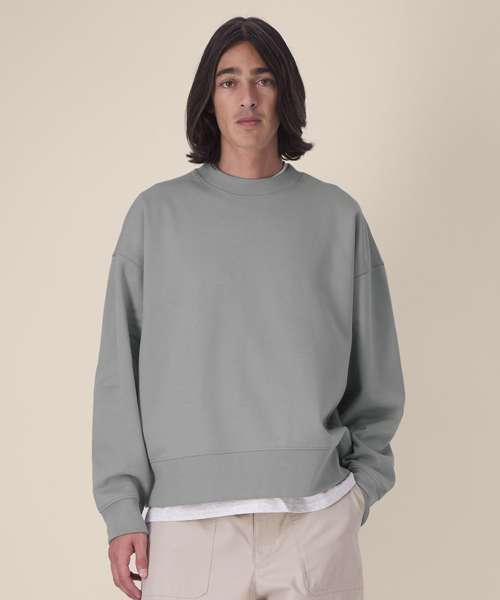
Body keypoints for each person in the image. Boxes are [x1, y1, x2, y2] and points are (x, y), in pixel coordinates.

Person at [91, 15, 405, 600]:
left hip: (315, 516)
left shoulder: (336, 217)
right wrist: (121, 506)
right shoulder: (156, 217)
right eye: (229, 81)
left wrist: (358, 490)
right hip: (186, 526)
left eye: (264, 79)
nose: (248, 97)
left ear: (286, 93)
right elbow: (118, 373)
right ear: (208, 99)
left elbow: (377, 372)